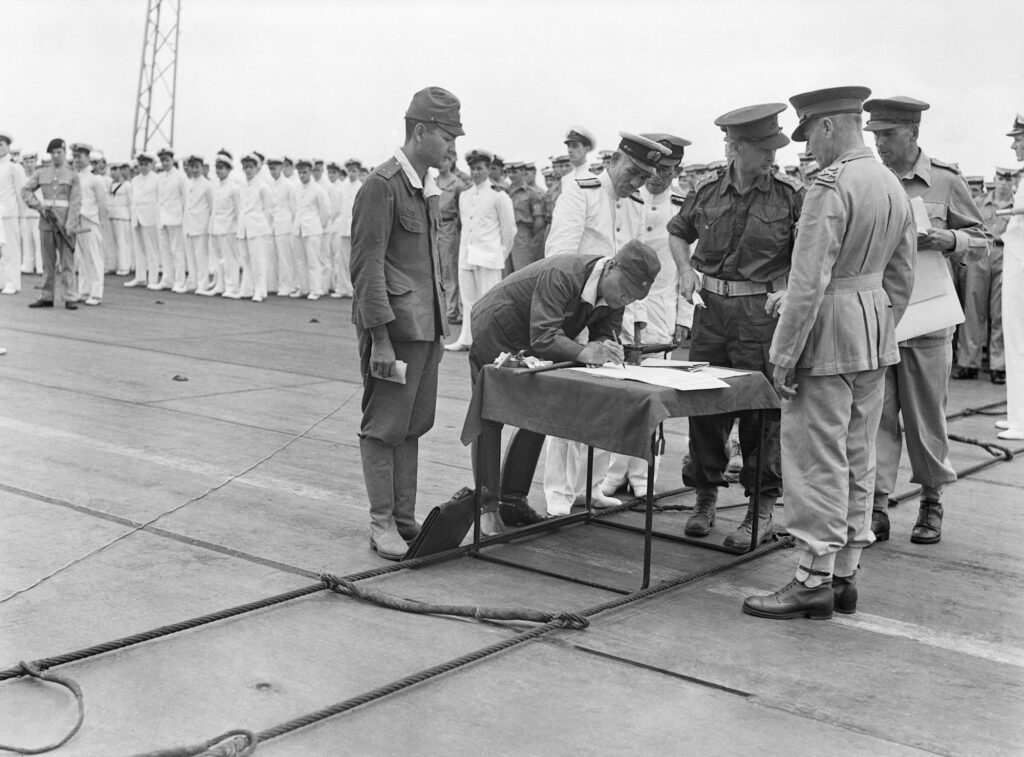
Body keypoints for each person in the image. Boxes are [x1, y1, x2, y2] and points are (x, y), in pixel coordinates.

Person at [741, 86, 916, 620]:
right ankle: (845, 576)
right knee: (859, 458)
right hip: (873, 335)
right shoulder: (890, 183)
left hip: (825, 336)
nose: (810, 150)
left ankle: (810, 579)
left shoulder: (830, 185)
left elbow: (809, 275)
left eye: (810, 135)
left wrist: (783, 353)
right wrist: (879, 325)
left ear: (828, 128)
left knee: (816, 459)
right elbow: (902, 277)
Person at [667, 103, 804, 549]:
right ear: (735, 147)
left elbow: (810, 249)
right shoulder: (707, 191)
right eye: (763, 148)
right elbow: (677, 231)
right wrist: (685, 272)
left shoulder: (788, 195)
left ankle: (760, 510)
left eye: (774, 147)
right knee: (704, 406)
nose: (772, 156)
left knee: (760, 414)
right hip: (711, 314)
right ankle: (704, 498)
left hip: (760, 317)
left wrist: (793, 291)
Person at [864, 96, 990, 544]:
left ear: (913, 134)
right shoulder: (870, 178)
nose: (880, 143)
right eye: (875, 135)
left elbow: (983, 241)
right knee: (877, 416)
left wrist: (948, 238)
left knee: (925, 418)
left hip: (929, 319)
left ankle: (931, 501)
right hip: (879, 319)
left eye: (888, 135)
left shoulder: (944, 181)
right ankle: (876, 505)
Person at [468, 240, 661, 533]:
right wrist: (584, 352)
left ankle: (512, 500)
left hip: (537, 338)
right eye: (622, 291)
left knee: (540, 410)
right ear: (610, 267)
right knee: (489, 414)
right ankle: (487, 507)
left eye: (632, 299)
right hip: (497, 327)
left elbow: (603, 335)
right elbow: (544, 335)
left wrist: (608, 348)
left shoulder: (615, 294)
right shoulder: (564, 273)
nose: (623, 301)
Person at [350, 86, 464, 560]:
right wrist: (378, 338)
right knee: (384, 427)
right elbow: (366, 267)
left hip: (425, 330)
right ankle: (381, 524)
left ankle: (402, 516)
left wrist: (443, 320)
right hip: (394, 334)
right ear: (421, 132)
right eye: (447, 136)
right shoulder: (382, 184)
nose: (452, 146)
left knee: (414, 425)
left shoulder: (426, 188)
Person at [542, 132, 671, 516]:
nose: (636, 182)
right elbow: (558, 257)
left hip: (613, 314)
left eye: (643, 177)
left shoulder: (632, 204)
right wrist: (572, 328)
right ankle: (559, 495)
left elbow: (634, 262)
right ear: (614, 159)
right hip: (571, 311)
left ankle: (591, 486)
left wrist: (634, 321)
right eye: (632, 172)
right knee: (568, 404)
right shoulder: (581, 192)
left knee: (604, 403)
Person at [601, 133, 693, 500]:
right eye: (654, 169)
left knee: (652, 396)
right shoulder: (629, 201)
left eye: (667, 170)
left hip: (662, 310)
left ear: (677, 169)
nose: (658, 177)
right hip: (623, 306)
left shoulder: (684, 206)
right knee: (620, 392)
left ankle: (643, 472)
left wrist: (684, 315)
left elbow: (691, 265)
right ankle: (614, 471)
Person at [445, 149, 515, 352]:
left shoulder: (498, 196)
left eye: (480, 168)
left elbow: (509, 230)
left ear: (488, 169)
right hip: (467, 256)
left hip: (489, 257)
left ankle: (487, 343)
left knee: (488, 302)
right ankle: (466, 338)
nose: (475, 172)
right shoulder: (465, 196)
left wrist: (500, 255)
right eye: (472, 168)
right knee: (468, 301)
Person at [955, 166, 1015, 384]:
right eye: (1000, 178)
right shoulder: (979, 202)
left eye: (1009, 179)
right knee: (973, 307)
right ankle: (968, 362)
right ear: (995, 179)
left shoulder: (1017, 205)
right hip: (980, 253)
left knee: (999, 310)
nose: (1004, 183)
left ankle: (999, 365)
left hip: (1004, 253)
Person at [22, 138, 81, 309]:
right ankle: (47, 296)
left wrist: (71, 224)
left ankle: (70, 296)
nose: (56, 156)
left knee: (67, 262)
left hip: (64, 222)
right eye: (53, 153)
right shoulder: (42, 173)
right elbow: (25, 190)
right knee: (48, 261)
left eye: (59, 153)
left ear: (64, 153)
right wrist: (38, 206)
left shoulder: (72, 174)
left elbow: (76, 201)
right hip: (46, 221)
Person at [997, 114, 1024, 441]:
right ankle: (1017, 413)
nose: (1014, 143)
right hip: (1016, 256)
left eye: (1018, 137)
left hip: (1021, 258)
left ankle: (1022, 419)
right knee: (1014, 336)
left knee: (1019, 336)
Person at [71, 143, 108, 306]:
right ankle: (84, 290)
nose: (77, 160)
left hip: (91, 220)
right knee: (81, 257)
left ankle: (96, 292)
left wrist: (102, 225)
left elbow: (102, 204)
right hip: (78, 219)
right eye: (75, 156)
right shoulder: (75, 176)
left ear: (88, 157)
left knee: (94, 257)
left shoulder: (96, 178)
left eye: (80, 156)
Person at [235, 153, 274, 302]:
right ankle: (246, 289)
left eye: (251, 167)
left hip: (257, 227)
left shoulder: (263, 186)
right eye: (245, 167)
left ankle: (260, 290)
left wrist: (264, 227)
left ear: (257, 168)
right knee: (246, 260)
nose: (248, 170)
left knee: (258, 260)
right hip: (244, 227)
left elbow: (269, 209)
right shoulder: (242, 185)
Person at [293, 158, 331, 300]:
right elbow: (294, 208)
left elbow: (326, 211)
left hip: (313, 228)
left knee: (313, 260)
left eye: (305, 172)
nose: (302, 175)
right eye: (300, 172)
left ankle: (316, 289)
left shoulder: (318, 190)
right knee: (300, 260)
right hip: (299, 228)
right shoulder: (296, 189)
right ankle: (304, 288)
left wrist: (319, 225)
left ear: (310, 172)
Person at [436, 149, 464, 324]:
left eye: (446, 160)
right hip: (435, 227)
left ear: (452, 161)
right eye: (440, 160)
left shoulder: (457, 184)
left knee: (449, 270)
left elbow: (463, 211)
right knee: (437, 269)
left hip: (449, 227)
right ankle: (442, 307)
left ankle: (452, 310)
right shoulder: (431, 182)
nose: (442, 163)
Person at [205, 154, 239, 297]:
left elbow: (238, 210)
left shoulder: (233, 188)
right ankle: (220, 286)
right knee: (219, 259)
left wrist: (235, 228)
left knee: (230, 259)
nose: (219, 171)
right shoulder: (215, 186)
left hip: (228, 228)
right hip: (215, 227)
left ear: (229, 169)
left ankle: (232, 287)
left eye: (222, 168)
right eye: (217, 168)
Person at [156, 148, 188, 291]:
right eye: (162, 160)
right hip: (163, 217)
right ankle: (167, 279)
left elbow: (185, 199)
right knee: (165, 250)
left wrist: (184, 217)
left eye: (167, 160)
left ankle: (179, 280)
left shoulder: (180, 177)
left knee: (177, 251)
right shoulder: (161, 177)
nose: (165, 163)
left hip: (176, 217)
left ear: (173, 160)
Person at [506, 161, 546, 273]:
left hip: (522, 234)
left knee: (522, 270)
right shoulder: (505, 192)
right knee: (506, 272)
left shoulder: (531, 194)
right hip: (505, 233)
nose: (511, 175)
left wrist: (527, 234)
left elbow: (539, 221)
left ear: (523, 172)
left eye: (515, 172)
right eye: (509, 172)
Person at [129, 152, 160, 288]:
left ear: (152, 165)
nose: (143, 167)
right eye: (141, 164)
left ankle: (153, 278)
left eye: (146, 164)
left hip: (150, 216)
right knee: (139, 248)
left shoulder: (157, 179)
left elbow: (159, 199)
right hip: (137, 216)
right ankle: (140, 277)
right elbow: (133, 199)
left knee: (151, 249)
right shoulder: (135, 180)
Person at [0, 131, 26, 294]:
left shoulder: (14, 167)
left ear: (8, 147)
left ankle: (12, 282)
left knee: (11, 250)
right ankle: (2, 280)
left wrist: (20, 216)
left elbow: (21, 194)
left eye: (1, 145)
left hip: (9, 213)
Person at [183, 154, 214, 293]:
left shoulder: (207, 185)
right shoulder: (188, 183)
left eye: (197, 167)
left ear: (202, 167)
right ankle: (192, 282)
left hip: (201, 224)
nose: (194, 170)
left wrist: (209, 226)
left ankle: (203, 284)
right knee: (190, 256)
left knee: (201, 256)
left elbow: (212, 207)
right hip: (189, 224)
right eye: (192, 167)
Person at [333, 158, 362, 299]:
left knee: (355, 259)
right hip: (343, 227)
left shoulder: (361, 186)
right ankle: (343, 288)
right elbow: (338, 208)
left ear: (358, 172)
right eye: (349, 171)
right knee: (342, 259)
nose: (351, 174)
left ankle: (354, 288)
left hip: (356, 227)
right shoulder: (342, 187)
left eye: (354, 171)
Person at [107, 161, 134, 277]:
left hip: (123, 215)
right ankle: (113, 265)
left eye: (116, 169)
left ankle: (124, 266)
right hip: (112, 214)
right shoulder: (110, 184)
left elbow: (131, 202)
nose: (113, 172)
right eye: (112, 169)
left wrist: (132, 217)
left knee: (123, 242)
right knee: (112, 243)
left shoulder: (127, 185)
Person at [19, 150, 42, 275]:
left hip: (38, 214)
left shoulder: (40, 177)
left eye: (32, 161)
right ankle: (28, 265)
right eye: (27, 162)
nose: (29, 164)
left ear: (35, 162)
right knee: (26, 241)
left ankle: (40, 267)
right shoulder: (21, 178)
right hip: (25, 214)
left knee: (38, 241)